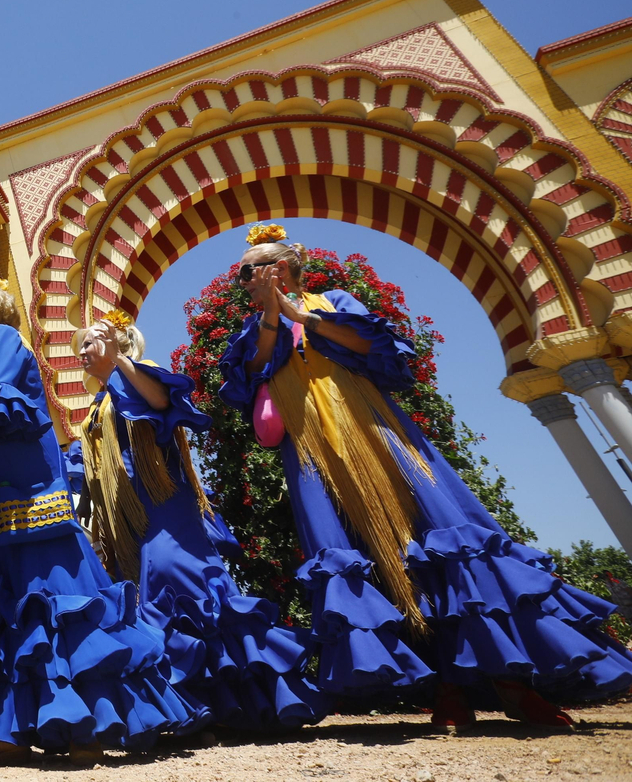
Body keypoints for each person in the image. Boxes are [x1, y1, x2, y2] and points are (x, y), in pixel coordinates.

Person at [219, 223, 632, 731]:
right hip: (313, 460)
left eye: (248, 271)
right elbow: (250, 373)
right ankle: (444, 690)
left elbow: (376, 348)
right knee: (360, 562)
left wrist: (304, 317)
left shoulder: (333, 302)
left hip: (379, 438)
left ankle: (513, 683)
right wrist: (271, 315)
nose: (243, 281)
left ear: (281, 267)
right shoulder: (254, 329)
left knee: (441, 545)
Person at [0, 272, 197, 765]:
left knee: (55, 601)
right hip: (3, 504)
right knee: (19, 607)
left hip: (28, 502)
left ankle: (87, 723)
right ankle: (16, 729)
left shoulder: (1, 338)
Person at [66, 313, 329, 732]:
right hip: (130, 520)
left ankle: (244, 700)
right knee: (152, 591)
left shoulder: (139, 375)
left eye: (91, 341)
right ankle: (203, 708)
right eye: (81, 343)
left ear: (119, 342)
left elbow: (159, 403)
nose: (82, 350)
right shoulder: (97, 407)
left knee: (179, 584)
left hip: (166, 505)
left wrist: (120, 361)